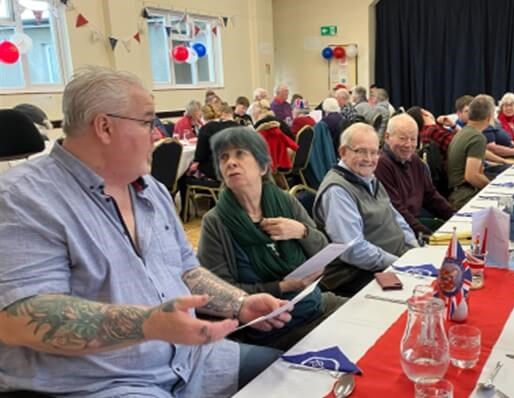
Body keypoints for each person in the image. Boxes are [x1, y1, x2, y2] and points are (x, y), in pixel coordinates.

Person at [0, 66, 292, 396]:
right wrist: (146, 324)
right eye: (147, 122)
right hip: (105, 384)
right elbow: (20, 318)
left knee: (295, 378)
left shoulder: (150, 189)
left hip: (192, 361)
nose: (156, 134)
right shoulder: (23, 199)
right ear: (105, 127)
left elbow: (184, 269)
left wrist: (239, 303)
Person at [198, 126, 346, 350]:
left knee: (375, 319)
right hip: (273, 330)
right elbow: (219, 293)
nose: (231, 162)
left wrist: (302, 232)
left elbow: (323, 252)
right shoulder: (216, 223)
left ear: (263, 166)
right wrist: (282, 286)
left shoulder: (286, 203)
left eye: (240, 154)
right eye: (224, 157)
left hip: (315, 305)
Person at [314, 123, 418, 296]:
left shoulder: (368, 177)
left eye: (374, 152)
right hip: (357, 273)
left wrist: (414, 249)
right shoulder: (337, 191)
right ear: (343, 152)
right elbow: (354, 250)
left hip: (395, 259)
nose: (369, 159)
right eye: (361, 151)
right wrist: (400, 264)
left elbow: (396, 217)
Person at [375, 114, 455, 235]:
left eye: (413, 139)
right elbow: (397, 210)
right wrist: (428, 235)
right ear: (387, 137)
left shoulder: (414, 160)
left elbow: (431, 196)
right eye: (402, 138)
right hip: (398, 231)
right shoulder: (381, 164)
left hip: (415, 224)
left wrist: (455, 215)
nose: (408, 145)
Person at [446, 96, 492, 209]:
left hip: (457, 193)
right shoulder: (477, 138)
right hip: (465, 196)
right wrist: (491, 187)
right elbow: (471, 176)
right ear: (489, 117)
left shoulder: (462, 133)